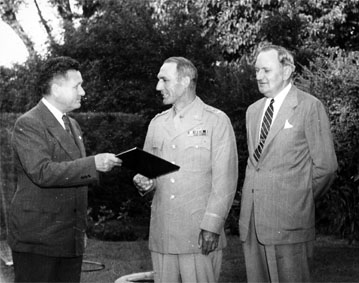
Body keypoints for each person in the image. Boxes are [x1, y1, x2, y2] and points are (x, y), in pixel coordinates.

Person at [8, 56, 122, 283]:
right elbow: (42, 172)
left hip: (68, 239)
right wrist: (93, 164)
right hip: (38, 240)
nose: (83, 92)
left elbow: (72, 178)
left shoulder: (72, 124)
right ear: (56, 88)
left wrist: (80, 231)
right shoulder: (29, 123)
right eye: (77, 86)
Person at [133, 57, 238, 283]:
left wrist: (212, 225)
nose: (158, 87)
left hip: (198, 234)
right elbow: (148, 175)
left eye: (164, 80)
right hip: (163, 233)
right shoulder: (157, 123)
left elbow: (225, 181)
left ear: (186, 80)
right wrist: (145, 183)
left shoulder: (216, 121)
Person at [239, 44, 338, 282]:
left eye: (266, 70)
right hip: (252, 224)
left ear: (287, 71)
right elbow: (257, 164)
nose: (259, 76)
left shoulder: (308, 106)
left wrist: (296, 198)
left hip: (290, 224)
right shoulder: (253, 111)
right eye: (257, 71)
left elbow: (326, 168)